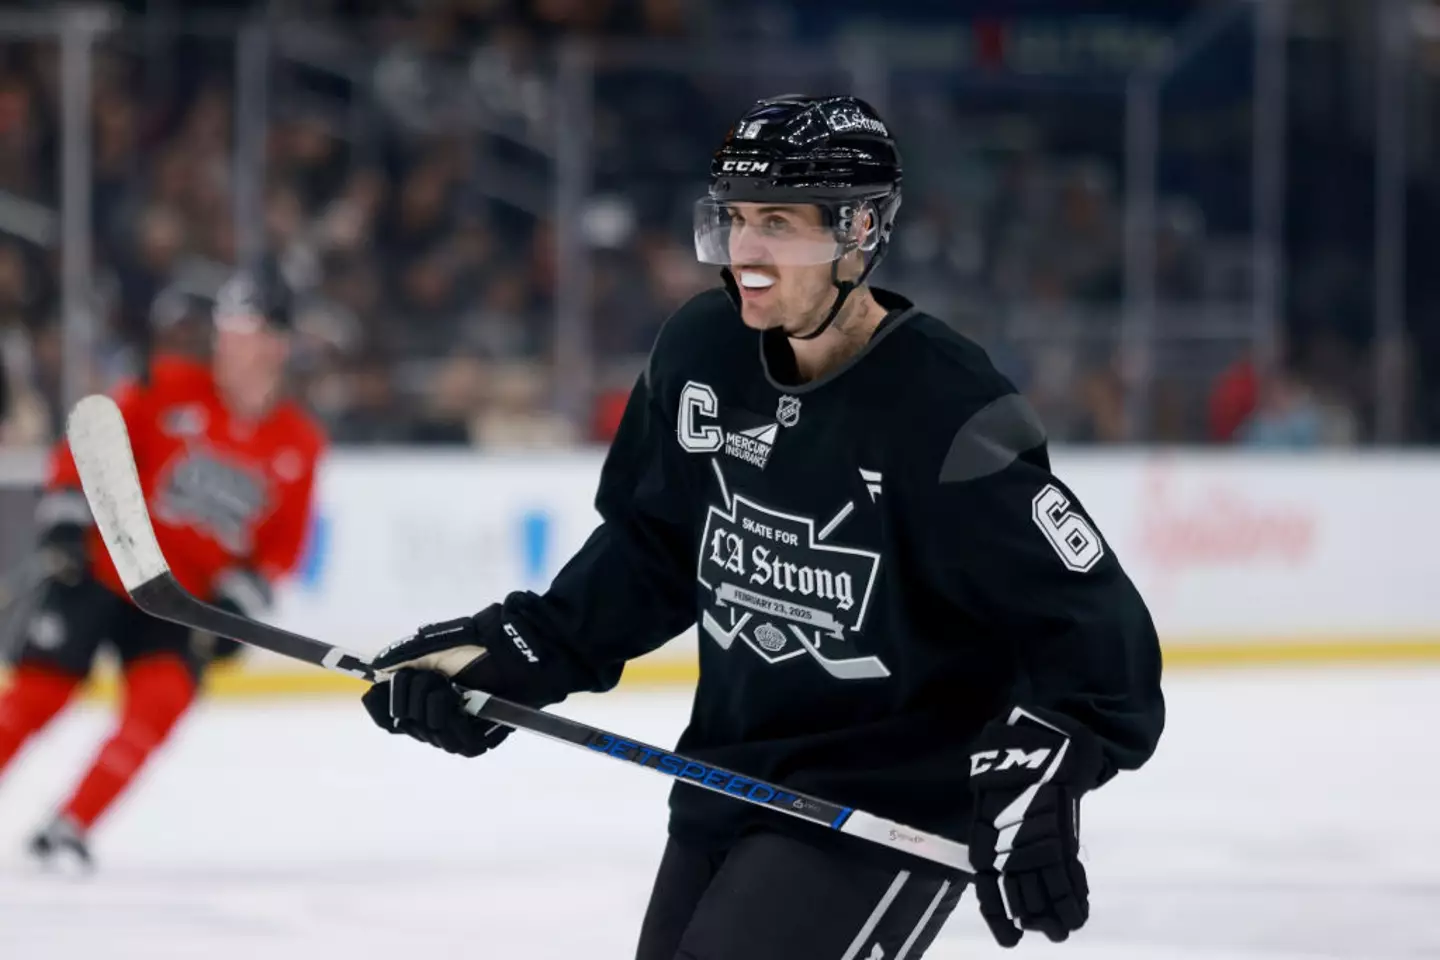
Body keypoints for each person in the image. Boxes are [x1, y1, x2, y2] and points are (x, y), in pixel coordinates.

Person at [361, 95, 1165, 958]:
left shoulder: (946, 409)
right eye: (736, 219)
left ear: (857, 231)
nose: (743, 251)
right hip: (727, 776)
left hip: (879, 806)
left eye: (775, 222)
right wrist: (525, 648)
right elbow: (655, 549)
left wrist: (1047, 759)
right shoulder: (702, 351)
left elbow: (1094, 626)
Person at [0, 263, 326, 870]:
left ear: (278, 343)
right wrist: (68, 518)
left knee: (163, 698)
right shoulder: (169, 387)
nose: (230, 345)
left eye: (246, 332)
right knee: (38, 696)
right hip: (103, 569)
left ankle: (70, 826)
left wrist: (238, 607)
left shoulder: (298, 443)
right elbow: (91, 440)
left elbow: (281, 550)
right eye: (226, 331)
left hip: (178, 600)